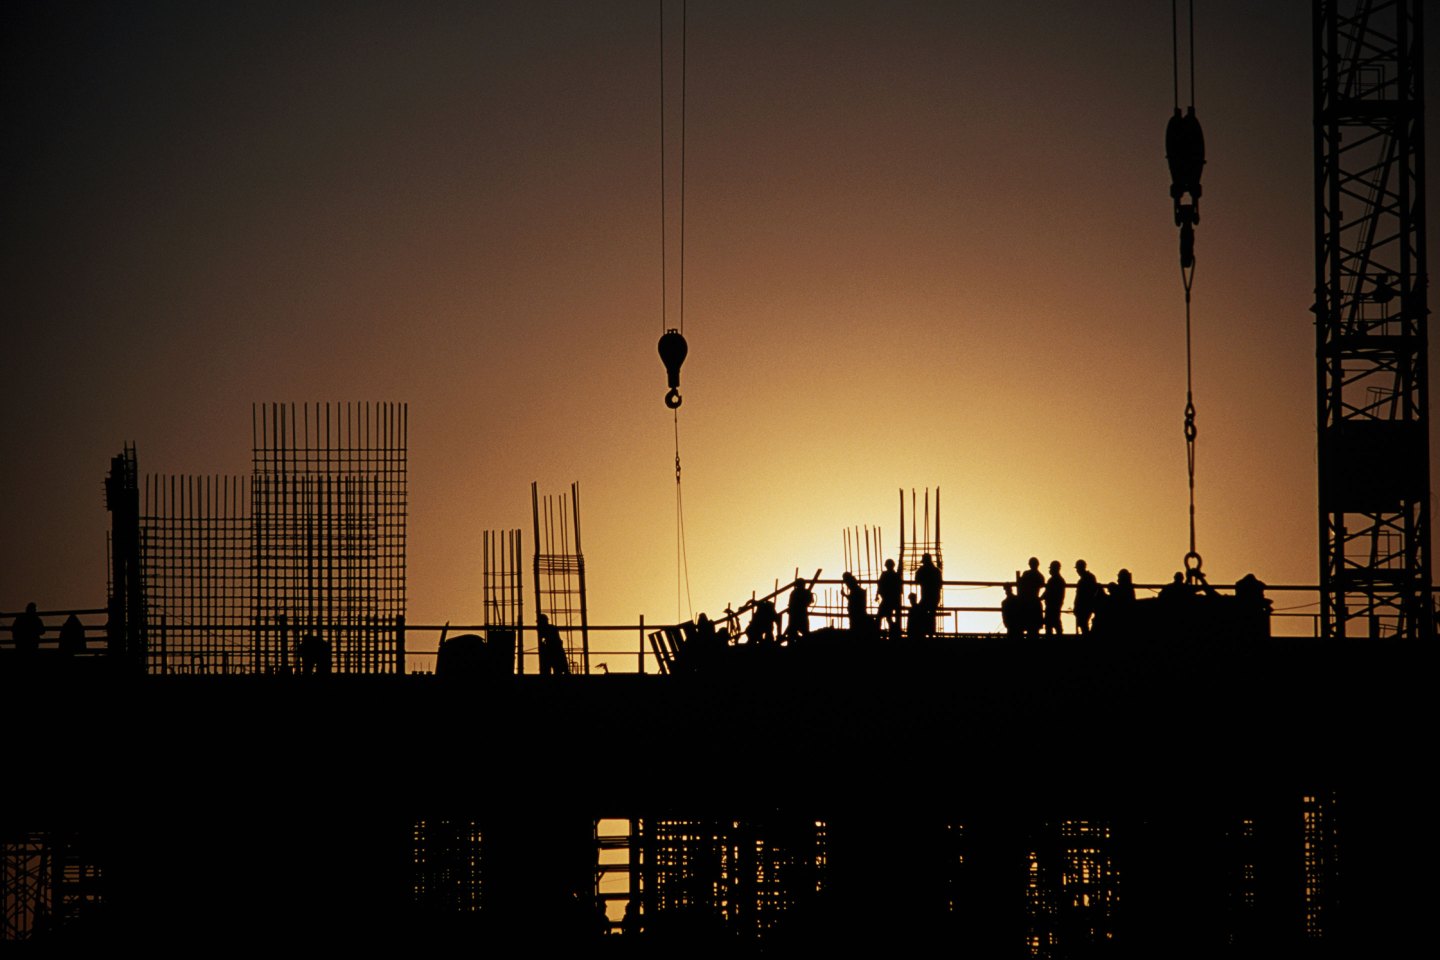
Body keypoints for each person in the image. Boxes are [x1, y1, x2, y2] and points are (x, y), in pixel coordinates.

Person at [915, 554, 943, 636]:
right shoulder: (936, 571)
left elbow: (917, 580)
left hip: (926, 596)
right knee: (931, 614)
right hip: (935, 596)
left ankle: (923, 632)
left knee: (921, 612)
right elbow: (940, 585)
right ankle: (930, 632)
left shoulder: (922, 570)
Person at [1017, 558, 1044, 639]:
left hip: (1026, 603)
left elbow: (1020, 585)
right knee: (1034, 629)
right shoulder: (1040, 576)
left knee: (1025, 626)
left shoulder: (1026, 574)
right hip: (1034, 602)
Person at [875, 559, 903, 638]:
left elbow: (880, 585)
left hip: (887, 599)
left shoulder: (886, 574)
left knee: (880, 616)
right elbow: (899, 590)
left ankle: (880, 632)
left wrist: (877, 594)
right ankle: (894, 630)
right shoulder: (896, 575)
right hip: (893, 600)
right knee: (888, 617)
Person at [1073, 559, 1100, 635]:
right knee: (1083, 625)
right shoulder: (1089, 577)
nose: (1077, 571)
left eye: (1078, 568)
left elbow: (1083, 594)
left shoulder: (1086, 579)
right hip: (1085, 605)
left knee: (1083, 624)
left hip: (1084, 605)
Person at [1043, 561, 1066, 636]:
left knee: (1050, 625)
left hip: (1052, 606)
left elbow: (1047, 592)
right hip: (1056, 605)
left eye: (1051, 568)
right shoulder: (1060, 580)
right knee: (1056, 624)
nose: (1050, 570)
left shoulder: (1054, 580)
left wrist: (1039, 599)